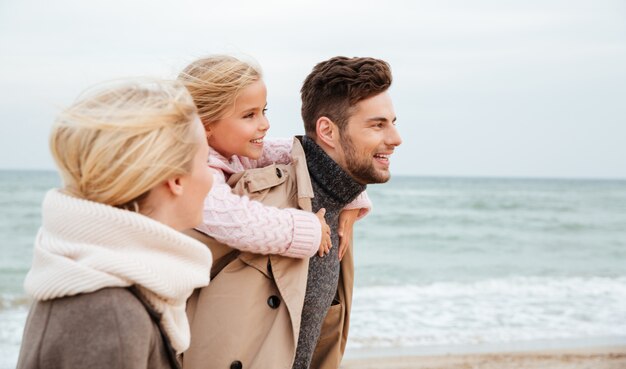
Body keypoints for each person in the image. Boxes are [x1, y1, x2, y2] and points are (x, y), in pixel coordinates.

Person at [176, 56, 372, 369]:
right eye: (249, 115)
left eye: (263, 111)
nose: (264, 124)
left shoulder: (235, 154)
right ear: (205, 124)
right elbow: (235, 220)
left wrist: (352, 197)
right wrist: (308, 231)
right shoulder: (193, 167)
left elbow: (306, 153)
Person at [16, 80, 214, 369]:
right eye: (206, 160)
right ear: (175, 179)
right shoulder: (109, 312)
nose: (212, 177)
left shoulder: (87, 274)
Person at [294, 56, 402, 369]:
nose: (396, 139)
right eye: (378, 125)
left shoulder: (341, 205)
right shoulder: (268, 210)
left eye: (394, 123)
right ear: (327, 131)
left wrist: (355, 198)